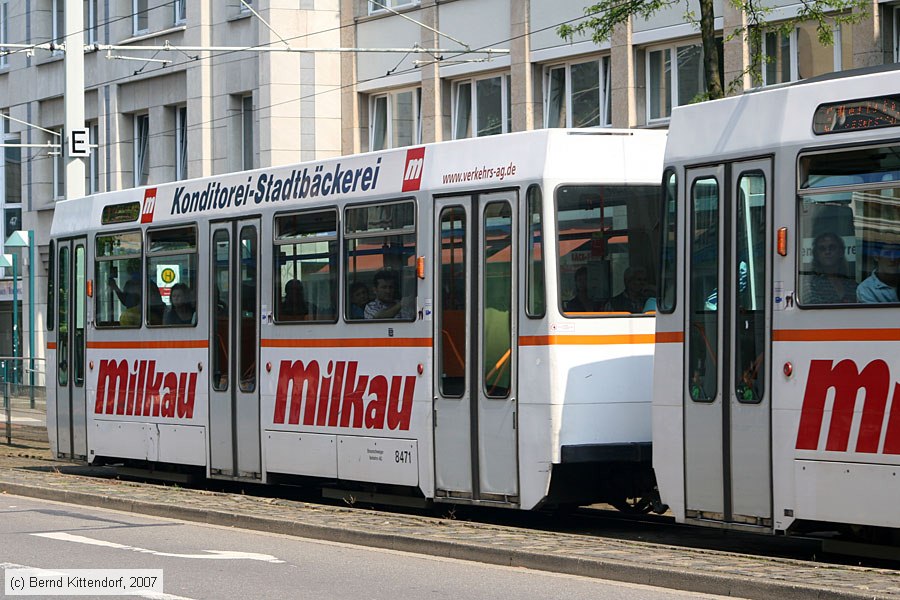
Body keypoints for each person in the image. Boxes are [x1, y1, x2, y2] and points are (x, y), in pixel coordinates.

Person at [805, 232, 857, 304]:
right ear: (816, 255)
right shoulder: (810, 284)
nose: (827, 252)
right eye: (822, 249)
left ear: (841, 252)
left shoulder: (851, 284)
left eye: (832, 247)